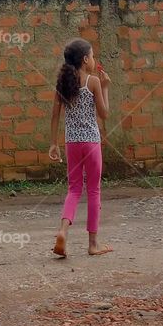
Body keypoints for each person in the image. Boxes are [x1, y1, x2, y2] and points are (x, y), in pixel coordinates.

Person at [48, 38, 112, 258]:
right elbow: (104, 114)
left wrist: (53, 143)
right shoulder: (93, 81)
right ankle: (93, 244)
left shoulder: (63, 83)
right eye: (92, 56)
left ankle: (63, 231)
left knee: (74, 189)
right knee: (93, 190)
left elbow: (55, 115)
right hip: (91, 143)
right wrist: (105, 88)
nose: (94, 60)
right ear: (85, 60)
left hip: (71, 143)